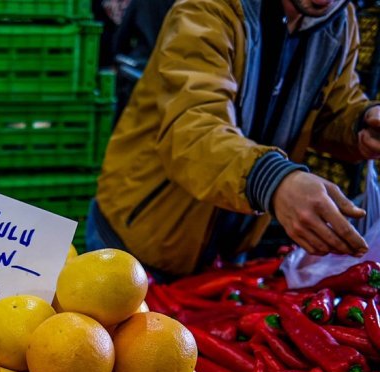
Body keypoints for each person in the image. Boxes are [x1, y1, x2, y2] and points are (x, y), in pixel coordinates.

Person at [89, 0, 380, 279]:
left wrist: (359, 124)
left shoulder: (339, 22)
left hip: (230, 241)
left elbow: (329, 106)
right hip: (145, 238)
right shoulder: (210, 8)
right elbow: (193, 129)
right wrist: (273, 181)